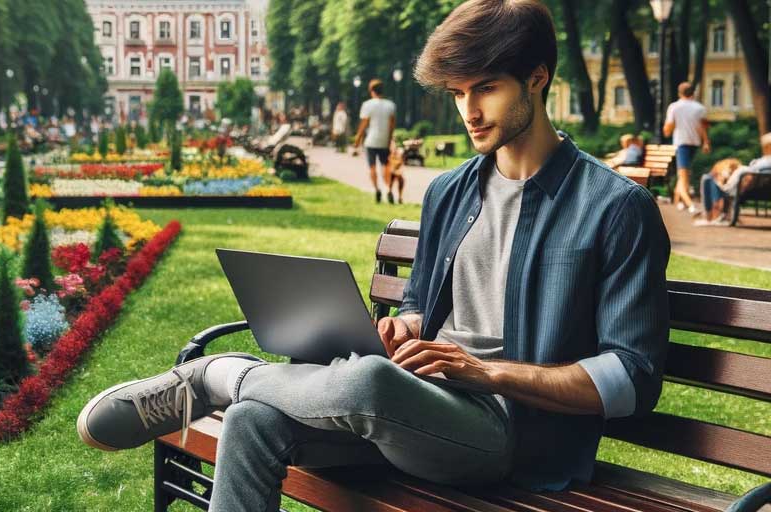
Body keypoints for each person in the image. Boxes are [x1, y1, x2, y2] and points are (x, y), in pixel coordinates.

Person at [76, 1, 669, 509]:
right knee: (254, 420)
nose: (469, 111)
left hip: (511, 434)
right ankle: (237, 388)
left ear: (537, 79)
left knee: (365, 384)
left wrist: (485, 372)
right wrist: (401, 325)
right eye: (459, 92)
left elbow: (633, 380)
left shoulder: (615, 208)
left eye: (486, 87)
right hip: (418, 405)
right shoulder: (450, 190)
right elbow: (421, 303)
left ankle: (213, 376)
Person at [695, 132, 771, 226]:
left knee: (707, 179)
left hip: (740, 188)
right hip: (754, 188)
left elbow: (752, 170)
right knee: (710, 178)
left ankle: (711, 215)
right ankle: (716, 215)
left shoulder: (765, 161)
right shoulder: (764, 162)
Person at [663, 82, 711, 215]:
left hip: (681, 144)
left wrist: (667, 129)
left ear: (679, 93)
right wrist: (706, 142)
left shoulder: (674, 107)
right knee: (684, 176)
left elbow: (667, 129)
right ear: (693, 93)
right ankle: (679, 201)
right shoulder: (700, 108)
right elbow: (703, 127)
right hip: (694, 144)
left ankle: (691, 206)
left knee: (683, 177)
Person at [354, 79, 398, 203]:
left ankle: (377, 189)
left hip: (371, 141)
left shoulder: (367, 105)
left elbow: (364, 124)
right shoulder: (390, 105)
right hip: (384, 141)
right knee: (386, 166)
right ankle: (388, 189)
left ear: (371, 91)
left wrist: (357, 139)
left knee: (372, 167)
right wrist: (390, 141)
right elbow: (392, 126)